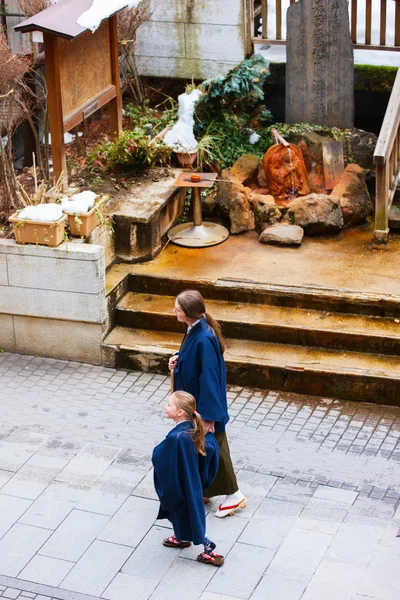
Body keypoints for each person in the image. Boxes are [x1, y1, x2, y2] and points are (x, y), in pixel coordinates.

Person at [168, 290, 246, 518]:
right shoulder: (198, 331)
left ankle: (234, 495)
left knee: (215, 447)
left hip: (205, 407)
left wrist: (209, 416)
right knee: (202, 447)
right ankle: (204, 489)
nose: (174, 311)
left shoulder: (203, 337)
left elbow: (210, 377)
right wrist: (177, 358)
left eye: (178, 308)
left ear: (188, 313)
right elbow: (196, 361)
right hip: (199, 405)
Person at [152, 391, 224, 567]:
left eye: (169, 405)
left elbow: (159, 455)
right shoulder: (195, 429)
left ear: (180, 412)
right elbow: (210, 449)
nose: (165, 406)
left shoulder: (177, 437)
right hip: (192, 482)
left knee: (187, 513)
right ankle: (180, 536)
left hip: (181, 484)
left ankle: (208, 548)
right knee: (184, 513)